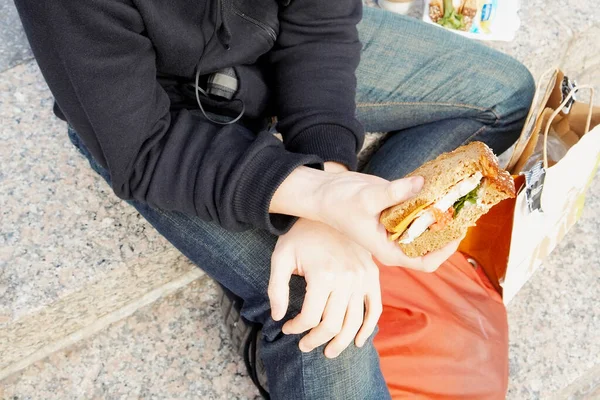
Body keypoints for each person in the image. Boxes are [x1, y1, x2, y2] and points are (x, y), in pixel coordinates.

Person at [15, 0, 534, 398]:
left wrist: (332, 199)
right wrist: (318, 196)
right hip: (158, 111)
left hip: (271, 40)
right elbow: (141, 145)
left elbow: (320, 23)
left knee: (505, 92)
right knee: (321, 313)